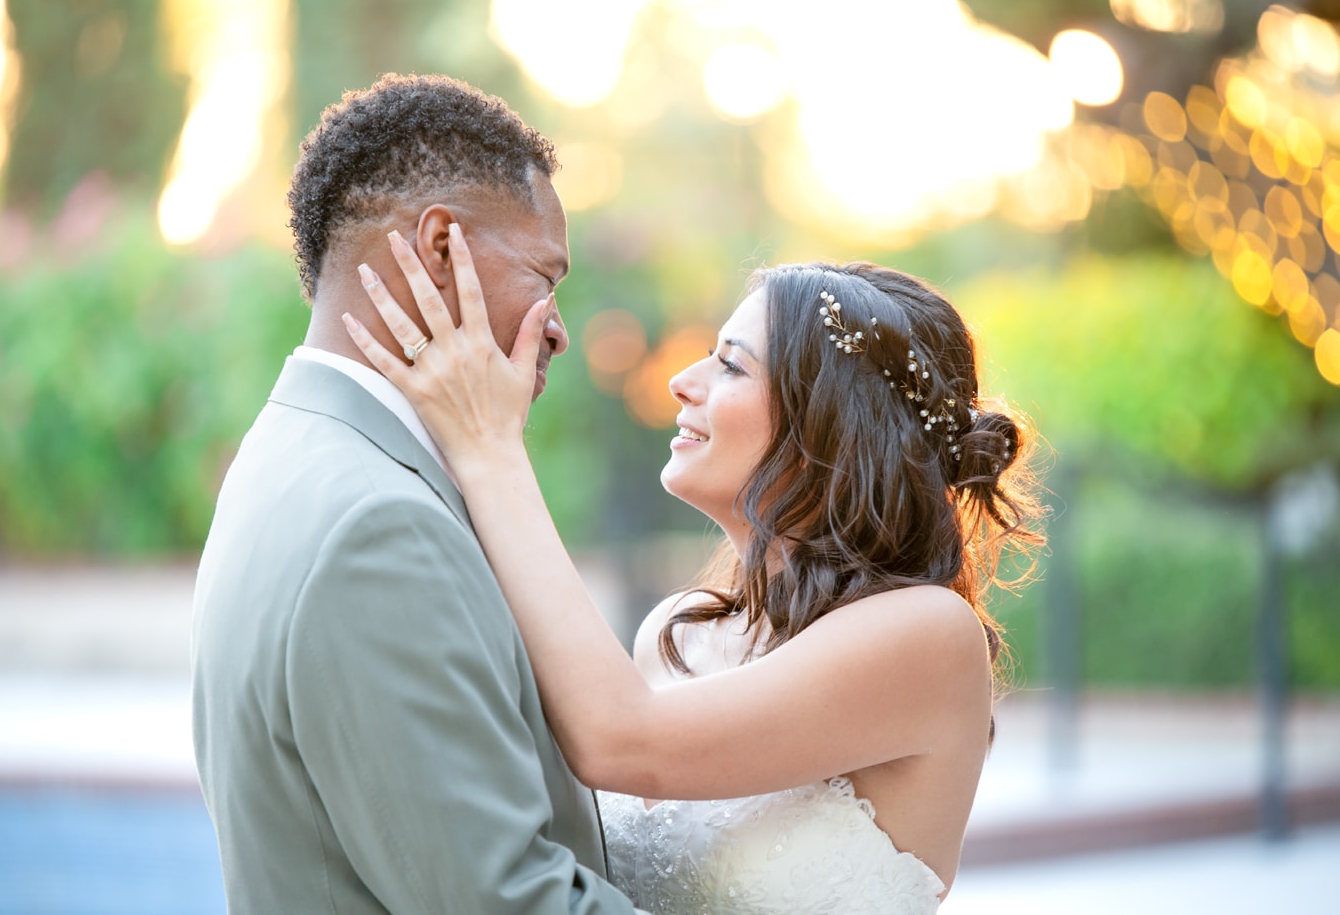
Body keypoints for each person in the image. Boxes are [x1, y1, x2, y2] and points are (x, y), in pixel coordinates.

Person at [342, 236, 1046, 913]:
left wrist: (491, 448)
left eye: (730, 365)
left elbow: (621, 741)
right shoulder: (677, 632)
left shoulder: (927, 634)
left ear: (830, 422)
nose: (682, 382)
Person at [191, 73, 639, 913]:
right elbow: (506, 900)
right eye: (546, 276)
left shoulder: (289, 449)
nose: (558, 327)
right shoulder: (380, 526)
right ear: (441, 246)